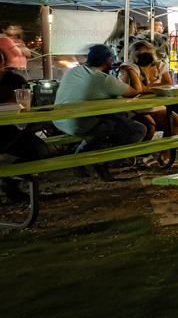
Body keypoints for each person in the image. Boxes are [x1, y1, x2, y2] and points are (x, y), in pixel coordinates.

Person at [53, 44, 148, 160]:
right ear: (108, 60)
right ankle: (109, 161)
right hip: (79, 125)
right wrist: (130, 69)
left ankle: (83, 157)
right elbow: (137, 91)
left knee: (110, 122)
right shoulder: (105, 79)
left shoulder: (73, 71)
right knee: (138, 130)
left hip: (60, 121)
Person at [0, 50, 49, 202]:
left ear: (2, 64)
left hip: (13, 130)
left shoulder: (13, 79)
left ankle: (9, 181)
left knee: (41, 153)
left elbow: (25, 100)